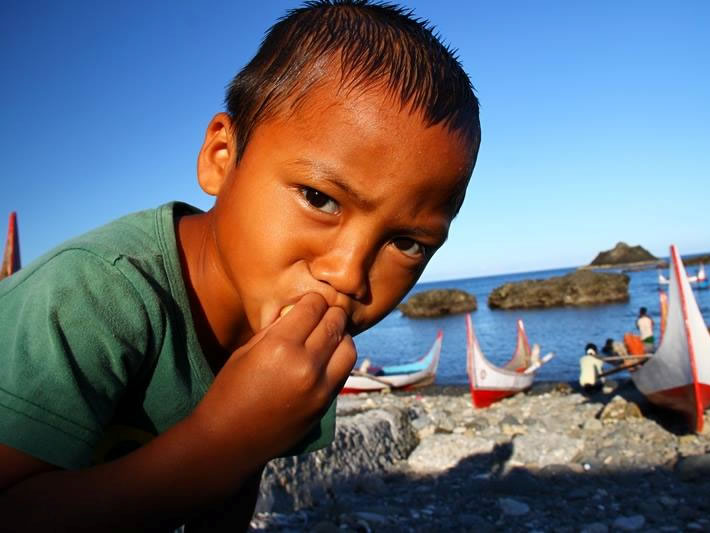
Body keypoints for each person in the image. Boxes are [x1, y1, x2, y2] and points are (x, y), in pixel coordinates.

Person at [0, 2, 481, 530]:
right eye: (320, 199)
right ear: (221, 157)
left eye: (408, 243)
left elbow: (227, 499)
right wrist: (221, 442)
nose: (347, 275)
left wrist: (239, 450)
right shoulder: (91, 297)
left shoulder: (294, 348)